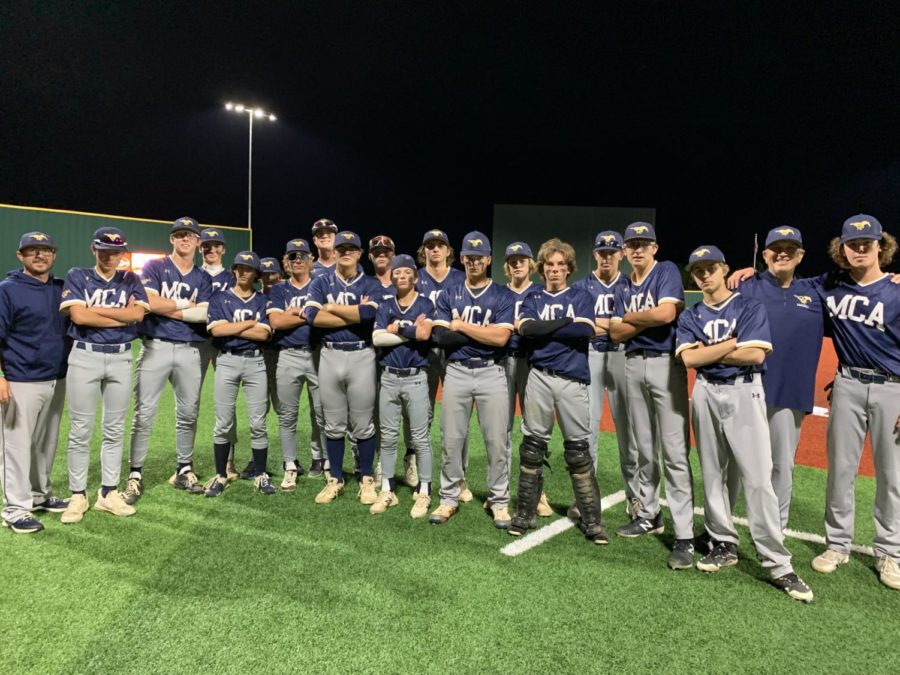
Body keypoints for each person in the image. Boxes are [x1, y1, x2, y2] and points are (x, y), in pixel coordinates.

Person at [675, 245, 813, 601]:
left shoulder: (749, 306)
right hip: (705, 392)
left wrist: (713, 349)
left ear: (723, 269)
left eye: (710, 268)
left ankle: (777, 561)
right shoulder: (691, 315)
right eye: (698, 271)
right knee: (713, 473)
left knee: (757, 477)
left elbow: (754, 353)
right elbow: (690, 360)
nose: (704, 275)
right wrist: (732, 343)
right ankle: (723, 543)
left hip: (745, 392)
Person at [810, 215, 900, 591]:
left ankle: (890, 551)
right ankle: (837, 544)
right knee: (842, 469)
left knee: (892, 475)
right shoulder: (830, 287)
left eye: (867, 242)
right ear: (841, 249)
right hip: (847, 383)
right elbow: (787, 285)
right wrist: (747, 275)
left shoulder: (896, 290)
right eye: (853, 243)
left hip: (892, 388)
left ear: (882, 245)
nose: (860, 248)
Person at [721, 227, 824, 530]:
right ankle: (721, 529)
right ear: (764, 255)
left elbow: (861, 281)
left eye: (789, 249)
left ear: (801, 255)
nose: (782, 254)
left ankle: (773, 531)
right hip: (745, 387)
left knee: (781, 466)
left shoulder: (817, 290)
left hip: (790, 392)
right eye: (775, 249)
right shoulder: (745, 286)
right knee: (734, 463)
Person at [509, 239, 607, 543]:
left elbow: (584, 331)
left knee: (579, 451)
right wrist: (565, 321)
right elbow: (527, 330)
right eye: (549, 265)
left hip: (572, 379)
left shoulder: (582, 296)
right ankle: (525, 512)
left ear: (568, 268)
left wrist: (547, 327)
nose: (554, 270)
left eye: (560, 265)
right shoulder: (534, 297)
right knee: (532, 447)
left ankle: (592, 520)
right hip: (539, 376)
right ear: (542, 269)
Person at [609, 222, 695, 569]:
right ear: (625, 251)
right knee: (643, 446)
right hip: (632, 364)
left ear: (655, 248)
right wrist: (641, 321)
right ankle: (649, 514)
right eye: (632, 244)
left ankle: (685, 534)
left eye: (644, 243)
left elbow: (667, 313)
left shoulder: (666, 271)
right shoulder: (623, 283)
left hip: (664, 364)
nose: (638, 249)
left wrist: (632, 318)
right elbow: (615, 332)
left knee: (674, 451)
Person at [59, 227, 149, 524]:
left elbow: (137, 316)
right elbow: (79, 317)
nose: (110, 255)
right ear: (93, 249)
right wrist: (117, 315)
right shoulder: (78, 274)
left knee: (114, 428)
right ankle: (77, 494)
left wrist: (95, 310)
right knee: (80, 430)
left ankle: (108, 493)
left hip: (122, 356)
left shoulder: (130, 278)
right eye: (104, 250)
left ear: (123, 253)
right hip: (85, 354)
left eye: (116, 251)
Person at [123, 217, 212, 504]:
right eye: (179, 234)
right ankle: (135, 473)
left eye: (190, 235)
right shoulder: (154, 266)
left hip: (189, 348)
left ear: (198, 242)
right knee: (144, 413)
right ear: (171, 239)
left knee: (189, 413)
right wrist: (187, 305)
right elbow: (149, 302)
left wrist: (165, 307)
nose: (185, 239)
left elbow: (205, 315)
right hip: (155, 346)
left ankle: (184, 468)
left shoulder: (203, 277)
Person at [429, 232, 514, 528]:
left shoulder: (502, 294)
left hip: (492, 371)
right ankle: (448, 498)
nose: (474, 262)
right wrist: (482, 333)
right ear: (462, 258)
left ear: (488, 259)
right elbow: (440, 336)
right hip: (456, 370)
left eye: (480, 257)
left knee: (496, 441)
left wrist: (462, 326)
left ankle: (499, 501)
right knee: (452, 439)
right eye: (470, 257)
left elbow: (501, 338)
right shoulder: (449, 293)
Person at [303, 231, 382, 505]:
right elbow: (313, 317)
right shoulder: (321, 280)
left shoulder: (370, 283)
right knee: (333, 423)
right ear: (334, 252)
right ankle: (335, 477)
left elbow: (370, 315)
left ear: (360, 253)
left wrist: (332, 307)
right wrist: (352, 315)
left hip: (361, 355)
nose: (346, 252)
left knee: (363, 423)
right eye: (341, 248)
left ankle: (367, 478)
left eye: (351, 248)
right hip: (330, 355)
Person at [0, 232, 70, 533]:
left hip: (56, 376)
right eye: (32, 251)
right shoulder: (8, 289)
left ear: (54, 254)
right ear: (21, 256)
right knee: (16, 445)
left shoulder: (60, 288)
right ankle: (15, 508)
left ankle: (40, 495)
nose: (40, 256)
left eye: (45, 250)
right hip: (20, 378)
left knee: (45, 442)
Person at [573, 231, 639, 516]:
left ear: (621, 254)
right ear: (595, 254)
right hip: (590, 355)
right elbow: (582, 326)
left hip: (623, 355)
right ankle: (587, 499)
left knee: (629, 430)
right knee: (588, 429)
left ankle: (635, 497)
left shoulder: (631, 284)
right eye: (602, 252)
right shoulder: (580, 287)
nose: (607, 256)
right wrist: (616, 325)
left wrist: (602, 325)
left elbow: (633, 325)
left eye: (613, 251)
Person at [203, 251, 275, 497]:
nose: (243, 272)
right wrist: (247, 324)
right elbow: (217, 331)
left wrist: (231, 328)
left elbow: (263, 335)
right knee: (223, 421)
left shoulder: (263, 300)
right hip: (227, 361)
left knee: (258, 422)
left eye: (249, 268)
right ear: (234, 270)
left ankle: (261, 474)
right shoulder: (219, 297)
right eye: (240, 267)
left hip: (255, 362)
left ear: (256, 274)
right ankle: (221, 475)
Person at [370, 254, 435, 517]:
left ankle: (425, 491)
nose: (402, 276)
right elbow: (376, 339)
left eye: (407, 272)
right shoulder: (386, 304)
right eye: (398, 272)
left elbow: (424, 334)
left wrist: (396, 330)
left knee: (420, 438)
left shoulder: (426, 304)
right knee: (387, 437)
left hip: (416, 376)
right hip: (389, 376)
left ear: (415, 277)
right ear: (393, 277)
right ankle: (387, 489)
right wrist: (408, 334)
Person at [266, 238, 327, 488]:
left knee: (321, 413)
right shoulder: (280, 289)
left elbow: (326, 317)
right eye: (292, 256)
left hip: (318, 354)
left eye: (303, 255)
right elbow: (276, 323)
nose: (298, 260)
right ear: (286, 262)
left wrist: (294, 314)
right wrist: (309, 315)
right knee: (287, 414)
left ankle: (320, 459)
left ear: (311, 260)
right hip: (288, 355)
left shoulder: (321, 284)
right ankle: (290, 464)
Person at [415, 229, 468, 497]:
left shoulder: (461, 278)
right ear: (423, 251)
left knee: (457, 419)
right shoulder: (415, 277)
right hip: (423, 352)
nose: (435, 250)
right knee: (421, 415)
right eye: (430, 246)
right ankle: (417, 468)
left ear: (449, 251)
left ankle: (459, 476)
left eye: (440, 245)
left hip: (454, 352)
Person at [502, 241, 552, 517]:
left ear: (531, 264)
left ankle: (536, 492)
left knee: (533, 430)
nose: (517, 264)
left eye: (522, 259)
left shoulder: (541, 292)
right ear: (506, 265)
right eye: (512, 260)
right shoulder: (499, 293)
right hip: (504, 361)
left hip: (533, 363)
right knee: (503, 430)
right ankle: (502, 491)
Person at [198, 227, 239, 480]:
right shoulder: (193, 274)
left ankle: (230, 459)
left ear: (223, 249)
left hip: (224, 341)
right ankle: (185, 465)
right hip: (196, 340)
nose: (211, 249)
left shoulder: (233, 278)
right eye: (207, 245)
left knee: (228, 402)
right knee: (190, 403)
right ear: (200, 248)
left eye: (216, 245)